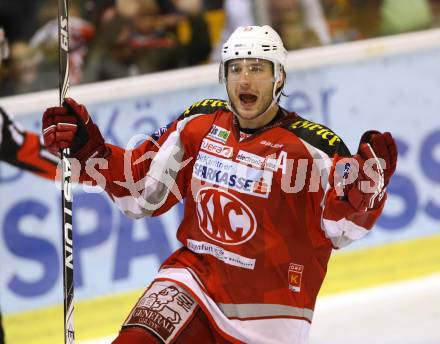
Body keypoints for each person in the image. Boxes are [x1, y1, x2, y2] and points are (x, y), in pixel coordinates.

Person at [42, 25, 398, 343]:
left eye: (257, 69)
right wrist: (89, 150)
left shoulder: (313, 150)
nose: (244, 80)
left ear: (279, 79)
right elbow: (142, 192)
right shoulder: (199, 124)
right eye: (235, 69)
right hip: (193, 281)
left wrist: (366, 193)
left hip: (268, 318)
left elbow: (342, 229)